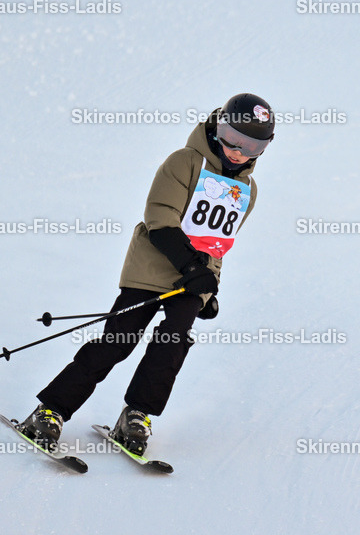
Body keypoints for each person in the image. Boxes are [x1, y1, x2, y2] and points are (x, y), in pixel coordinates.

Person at [17, 93, 275, 456]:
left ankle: (136, 416)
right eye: (233, 138)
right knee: (118, 340)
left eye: (251, 145)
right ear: (219, 126)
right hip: (152, 268)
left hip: (191, 282)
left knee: (172, 345)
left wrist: (209, 288)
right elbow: (159, 218)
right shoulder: (185, 162)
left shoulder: (247, 189)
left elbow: (218, 243)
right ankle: (50, 411)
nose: (238, 151)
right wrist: (190, 268)